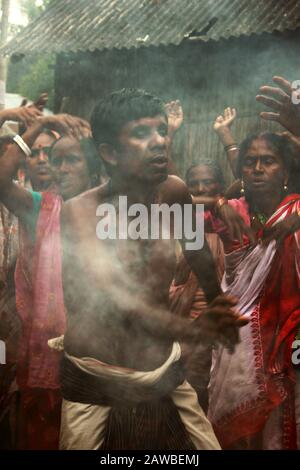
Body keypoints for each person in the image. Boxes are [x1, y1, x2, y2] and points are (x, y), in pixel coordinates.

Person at [58, 88, 247, 450]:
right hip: (96, 378)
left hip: (163, 369)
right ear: (109, 153)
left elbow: (197, 251)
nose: (159, 142)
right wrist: (190, 329)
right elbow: (115, 297)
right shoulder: (82, 213)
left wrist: (217, 302)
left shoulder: (173, 192)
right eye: (142, 134)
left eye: (161, 130)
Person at [0, 113, 96, 449]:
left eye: (73, 159)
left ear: (93, 165)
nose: (62, 168)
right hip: (46, 347)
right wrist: (37, 126)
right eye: (58, 161)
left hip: (97, 348)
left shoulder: (112, 207)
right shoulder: (41, 207)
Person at [206, 128, 300, 449]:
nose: (258, 169)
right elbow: (172, 211)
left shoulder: (296, 210)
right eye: (250, 162)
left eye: (269, 161)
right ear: (240, 170)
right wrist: (218, 202)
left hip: (290, 336)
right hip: (239, 340)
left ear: (286, 170)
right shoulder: (231, 211)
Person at [169, 160, 225, 411]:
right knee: (189, 389)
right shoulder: (177, 218)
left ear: (219, 185)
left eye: (208, 182)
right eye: (194, 184)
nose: (201, 188)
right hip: (185, 319)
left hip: (221, 319)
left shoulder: (234, 214)